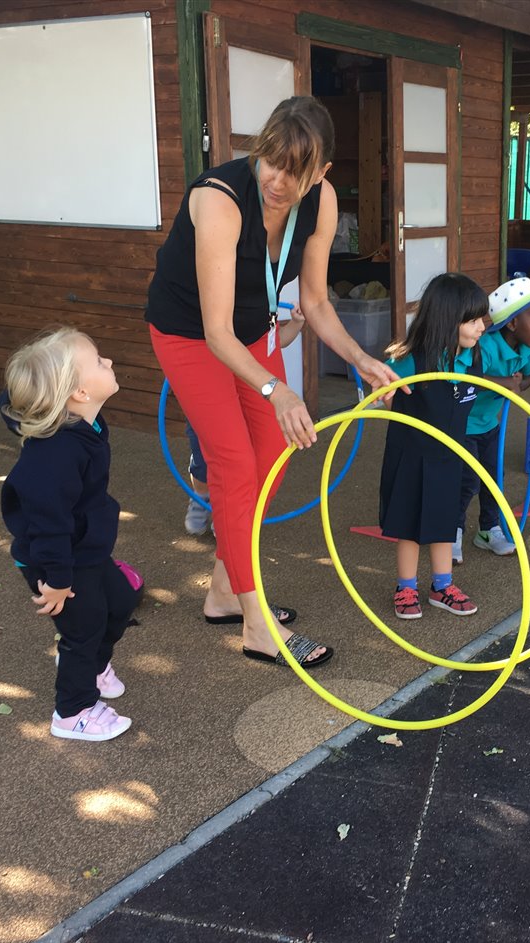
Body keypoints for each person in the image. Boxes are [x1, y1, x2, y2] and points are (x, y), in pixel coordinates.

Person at [145, 96, 398, 668]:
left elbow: (316, 301)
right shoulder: (219, 199)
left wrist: (359, 358)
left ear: (322, 173)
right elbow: (215, 332)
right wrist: (277, 389)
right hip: (190, 334)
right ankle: (258, 627)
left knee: (272, 460)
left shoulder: (322, 202)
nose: (277, 181)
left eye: (295, 171)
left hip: (251, 329)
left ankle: (222, 593)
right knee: (234, 466)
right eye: (271, 161)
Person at [0, 328, 140, 742]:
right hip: (55, 558)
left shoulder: (82, 423)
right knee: (83, 630)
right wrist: (58, 580)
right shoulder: (55, 456)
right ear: (79, 392)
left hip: (82, 547)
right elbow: (48, 524)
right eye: (98, 361)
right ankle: (73, 711)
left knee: (121, 600)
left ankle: (92, 666)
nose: (108, 362)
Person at [380, 273, 487, 619]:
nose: (481, 326)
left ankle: (442, 586)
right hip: (411, 456)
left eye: (482, 318)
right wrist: (389, 397)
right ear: (447, 319)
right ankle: (406, 586)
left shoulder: (471, 358)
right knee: (409, 525)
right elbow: (384, 388)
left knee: (444, 520)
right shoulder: (412, 360)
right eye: (473, 320)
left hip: (448, 455)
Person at [182, 305, 306, 536]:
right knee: (203, 458)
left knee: (242, 460)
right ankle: (201, 497)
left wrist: (297, 323)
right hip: (210, 395)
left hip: (248, 401)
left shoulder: (256, 318)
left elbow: (275, 341)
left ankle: (230, 515)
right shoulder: (206, 322)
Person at [452, 276, 530, 563]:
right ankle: (452, 530)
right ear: (513, 324)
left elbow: (527, 379)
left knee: (495, 478)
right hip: (464, 425)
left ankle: (488, 529)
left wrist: (518, 383)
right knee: (467, 480)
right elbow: (466, 379)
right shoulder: (484, 347)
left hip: (489, 424)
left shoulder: (526, 349)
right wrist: (504, 383)